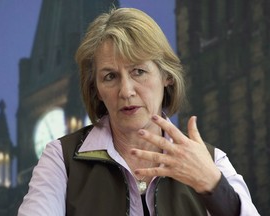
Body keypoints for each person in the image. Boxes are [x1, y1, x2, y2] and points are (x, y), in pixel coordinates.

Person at [18, 7, 260, 216]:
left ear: (167, 76)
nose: (126, 91)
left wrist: (213, 186)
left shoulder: (211, 160)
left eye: (138, 72)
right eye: (110, 76)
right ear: (96, 89)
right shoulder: (61, 159)